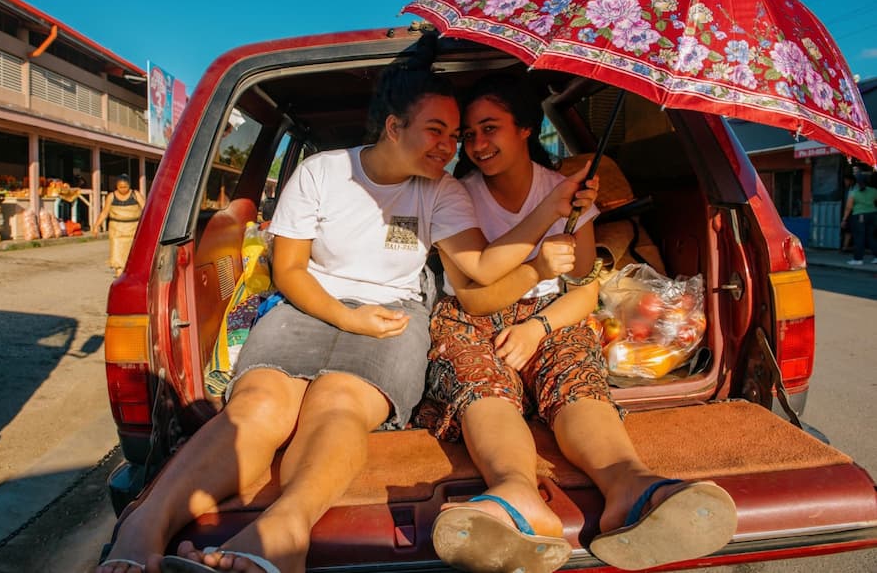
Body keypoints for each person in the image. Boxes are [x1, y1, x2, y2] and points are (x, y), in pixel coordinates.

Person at [95, 39, 598, 573]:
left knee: (338, 404)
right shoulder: (322, 174)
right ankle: (145, 523)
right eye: (437, 131)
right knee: (258, 406)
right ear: (393, 127)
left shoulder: (443, 191)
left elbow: (483, 267)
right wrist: (347, 316)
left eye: (455, 136)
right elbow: (289, 270)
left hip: (395, 317)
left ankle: (284, 529)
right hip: (305, 306)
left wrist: (551, 209)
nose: (451, 147)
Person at [415, 74, 737, 572]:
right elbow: (472, 294)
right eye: (469, 135)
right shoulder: (454, 194)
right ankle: (516, 494)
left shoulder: (566, 192)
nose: (477, 145)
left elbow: (586, 286)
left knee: (576, 376)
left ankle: (632, 487)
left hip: (550, 315)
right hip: (471, 315)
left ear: (525, 129)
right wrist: (539, 262)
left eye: (490, 128)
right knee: (484, 387)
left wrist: (539, 327)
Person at [92, 174, 145, 277]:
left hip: (133, 227)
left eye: (125, 187)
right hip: (116, 228)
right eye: (120, 187)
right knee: (117, 250)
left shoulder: (135, 194)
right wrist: (96, 226)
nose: (123, 189)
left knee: (132, 250)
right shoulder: (111, 196)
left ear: (129, 186)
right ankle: (119, 271)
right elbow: (104, 212)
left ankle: (132, 271)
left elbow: (145, 209)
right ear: (116, 186)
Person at [842, 170, 877, 265]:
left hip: (859, 216)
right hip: (873, 215)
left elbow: (848, 208)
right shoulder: (874, 191)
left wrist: (844, 219)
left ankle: (858, 259)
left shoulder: (853, 193)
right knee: (871, 236)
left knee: (859, 237)